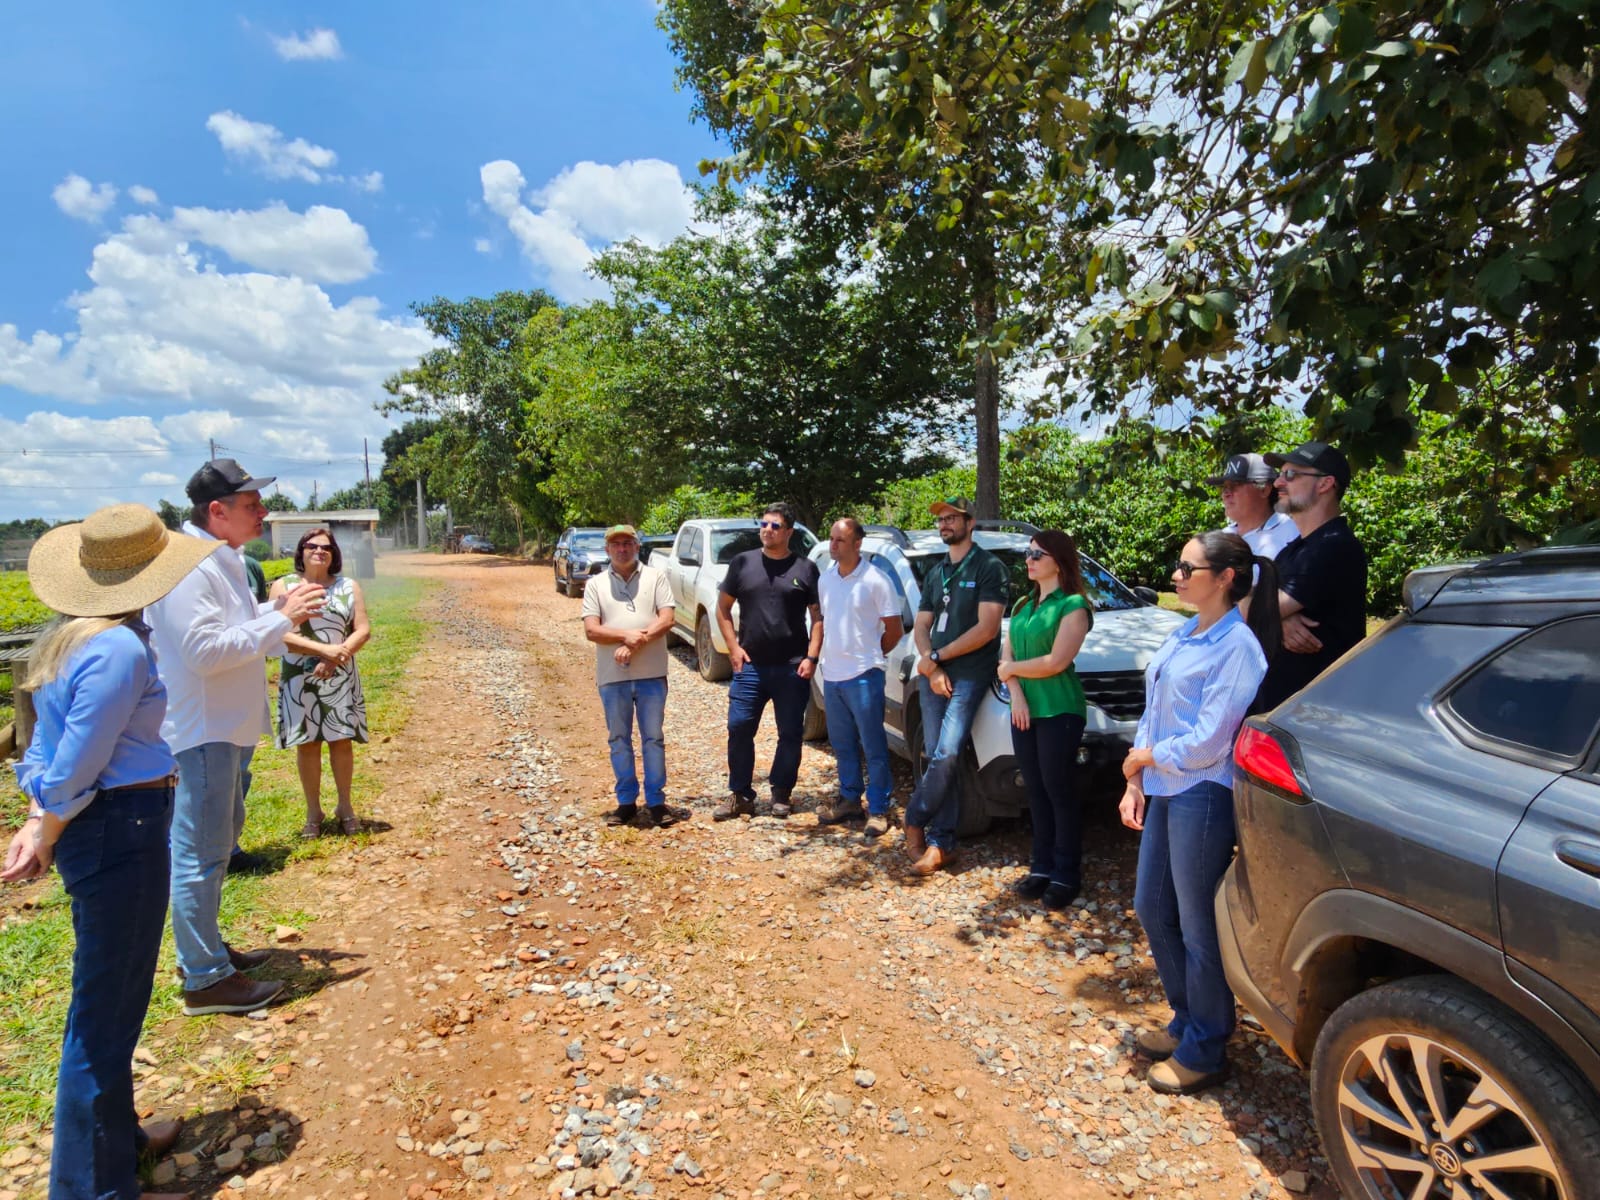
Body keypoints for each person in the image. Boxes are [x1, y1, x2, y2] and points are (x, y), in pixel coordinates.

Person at [4, 502, 222, 1200]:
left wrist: (39, 813)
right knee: (105, 1013)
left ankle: (117, 1143)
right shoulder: (121, 649)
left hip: (109, 823)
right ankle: (94, 1189)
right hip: (119, 827)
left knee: (110, 997)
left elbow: (44, 746)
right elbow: (76, 762)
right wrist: (46, 824)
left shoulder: (79, 641)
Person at [145, 459, 325, 1017]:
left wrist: (277, 615)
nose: (263, 513)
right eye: (252, 506)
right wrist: (280, 618)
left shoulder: (226, 562)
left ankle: (206, 950)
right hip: (202, 730)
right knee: (199, 852)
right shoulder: (186, 569)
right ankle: (203, 977)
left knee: (218, 845)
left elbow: (257, 643)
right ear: (216, 511)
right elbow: (204, 653)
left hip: (227, 726)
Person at [1119, 531, 1281, 1095]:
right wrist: (1137, 775)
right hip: (1165, 785)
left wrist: (1148, 756)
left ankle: (1207, 1045)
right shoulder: (1185, 630)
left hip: (1203, 791)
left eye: (1189, 568)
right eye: (1179, 566)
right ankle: (1187, 1019)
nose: (1178, 576)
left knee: (1195, 922)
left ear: (1226, 577)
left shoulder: (1239, 647)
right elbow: (1155, 707)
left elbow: (1211, 738)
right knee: (1150, 906)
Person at [903, 497, 1008, 875]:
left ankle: (914, 817)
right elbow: (920, 626)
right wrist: (931, 665)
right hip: (936, 674)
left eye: (952, 518)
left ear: (970, 522)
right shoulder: (936, 571)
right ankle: (941, 843)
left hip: (969, 674)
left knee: (947, 752)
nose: (945, 524)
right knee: (935, 755)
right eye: (941, 519)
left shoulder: (988, 567)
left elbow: (987, 629)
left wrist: (939, 658)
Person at [996, 530, 1092, 909]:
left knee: (1059, 791)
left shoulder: (1073, 606)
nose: (1030, 559)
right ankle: (1041, 867)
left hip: (1059, 709)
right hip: (1025, 710)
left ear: (1059, 560)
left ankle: (1066, 874)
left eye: (1038, 553)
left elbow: (1056, 662)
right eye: (1028, 552)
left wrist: (1010, 672)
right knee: (1035, 791)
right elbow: (1006, 661)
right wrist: (1016, 694)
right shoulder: (1023, 604)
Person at [712, 503, 823, 821]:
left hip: (792, 667)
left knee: (790, 733)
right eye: (764, 524)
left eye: (775, 526)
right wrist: (733, 649)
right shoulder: (742, 563)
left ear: (789, 532)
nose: (767, 529)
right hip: (751, 667)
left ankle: (781, 793)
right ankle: (741, 794)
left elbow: (817, 619)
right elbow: (722, 610)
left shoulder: (805, 569)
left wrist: (812, 657)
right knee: (739, 727)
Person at [581, 525, 689, 829]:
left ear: (636, 546)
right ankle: (626, 802)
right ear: (607, 550)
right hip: (612, 676)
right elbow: (592, 630)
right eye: (616, 544)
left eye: (627, 543)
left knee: (653, 739)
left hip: (652, 675)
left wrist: (634, 642)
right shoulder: (595, 584)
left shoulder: (656, 578)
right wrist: (628, 636)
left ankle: (656, 802)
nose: (622, 549)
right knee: (619, 739)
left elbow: (667, 619)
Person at [1252, 440, 1367, 713]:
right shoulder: (1296, 549)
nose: (1278, 482)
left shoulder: (1334, 545)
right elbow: (1255, 606)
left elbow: (1248, 610)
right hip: (1281, 711)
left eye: (1290, 475)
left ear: (1325, 484)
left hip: (1312, 717)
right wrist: (1280, 618)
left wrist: (1271, 613)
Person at [270, 528, 371, 838]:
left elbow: (362, 629)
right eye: (311, 546)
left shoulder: (348, 587)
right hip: (300, 677)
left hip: (339, 673)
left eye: (326, 547)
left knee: (341, 741)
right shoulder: (283, 587)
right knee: (308, 744)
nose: (319, 551)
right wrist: (323, 651)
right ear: (300, 552)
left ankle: (345, 806)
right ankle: (313, 809)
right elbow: (277, 632)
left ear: (334, 554)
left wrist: (334, 658)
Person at [815, 518, 904, 838]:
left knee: (874, 745)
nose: (833, 545)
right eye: (831, 538)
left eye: (840, 540)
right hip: (833, 676)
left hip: (865, 675)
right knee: (842, 744)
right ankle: (850, 800)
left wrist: (871, 654)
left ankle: (879, 808)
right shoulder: (826, 579)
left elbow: (895, 630)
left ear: (857, 544)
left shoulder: (876, 580)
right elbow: (825, 621)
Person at [1207, 453, 1298, 560]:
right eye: (1224, 488)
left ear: (1264, 490)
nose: (1225, 494)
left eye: (1235, 485)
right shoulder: (1222, 538)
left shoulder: (1292, 534)